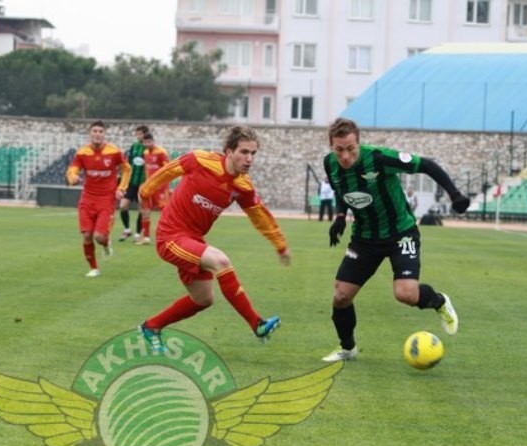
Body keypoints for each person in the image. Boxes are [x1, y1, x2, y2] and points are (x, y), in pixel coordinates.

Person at [322, 118, 470, 362]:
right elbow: (342, 190)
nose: (345, 156)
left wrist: (455, 194)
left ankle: (440, 301)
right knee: (341, 296)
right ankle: (348, 348)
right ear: (331, 146)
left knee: (406, 294)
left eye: (351, 149)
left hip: (400, 233)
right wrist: (340, 216)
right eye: (339, 150)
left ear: (359, 143)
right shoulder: (330, 164)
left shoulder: (379, 158)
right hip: (364, 238)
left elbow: (427, 165)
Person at [137, 126, 291, 354]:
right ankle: (257, 324)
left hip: (194, 239)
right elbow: (167, 171)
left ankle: (151, 326)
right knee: (221, 261)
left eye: (253, 153)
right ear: (229, 151)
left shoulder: (243, 186)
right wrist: (145, 191)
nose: (249, 159)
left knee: (203, 298)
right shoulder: (200, 160)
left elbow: (260, 216)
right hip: (170, 235)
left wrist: (280, 244)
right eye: (244, 152)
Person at [66, 120, 131, 278]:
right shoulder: (82, 152)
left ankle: (106, 243)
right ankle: (94, 268)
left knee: (99, 237)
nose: (97, 134)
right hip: (87, 199)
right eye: (94, 131)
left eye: (100, 131)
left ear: (104, 134)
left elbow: (126, 169)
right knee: (87, 235)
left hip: (106, 199)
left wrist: (121, 188)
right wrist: (73, 178)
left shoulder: (114, 151)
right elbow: (72, 169)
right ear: (90, 133)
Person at [137, 131, 170, 245]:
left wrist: (165, 184)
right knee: (145, 210)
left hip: (160, 187)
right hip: (149, 187)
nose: (147, 144)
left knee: (165, 212)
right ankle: (146, 238)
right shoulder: (145, 152)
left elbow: (168, 169)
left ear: (153, 141)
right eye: (145, 142)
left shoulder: (161, 152)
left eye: (149, 141)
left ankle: (167, 236)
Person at [118, 125, 149, 242]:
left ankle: (137, 234)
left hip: (143, 184)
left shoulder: (149, 149)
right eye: (137, 134)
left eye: (140, 134)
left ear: (145, 134)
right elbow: (128, 163)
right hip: (131, 182)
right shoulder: (134, 147)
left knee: (141, 209)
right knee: (123, 206)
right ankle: (127, 230)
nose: (138, 136)